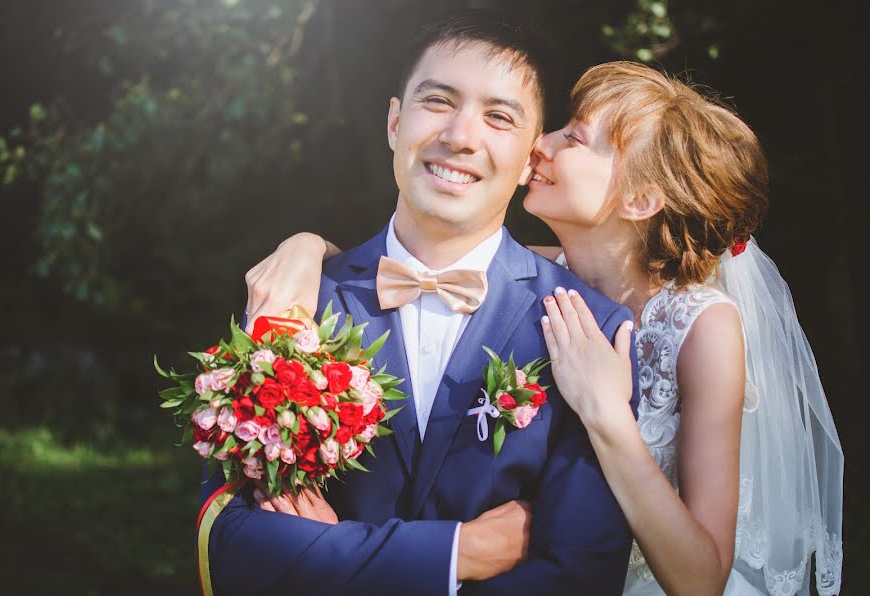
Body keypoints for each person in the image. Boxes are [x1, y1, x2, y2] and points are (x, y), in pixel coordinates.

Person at [247, 62, 844, 595]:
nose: (541, 144)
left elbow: (702, 579)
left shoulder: (703, 327)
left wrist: (608, 415)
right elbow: (401, 262)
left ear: (639, 199)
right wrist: (305, 248)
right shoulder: (526, 273)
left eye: (573, 137)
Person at [202, 12, 638, 596]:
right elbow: (234, 547)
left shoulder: (588, 328)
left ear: (531, 156)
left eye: (499, 117)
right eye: (438, 101)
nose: (460, 136)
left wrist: (335, 560)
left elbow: (579, 574)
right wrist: (462, 552)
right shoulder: (294, 301)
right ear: (394, 122)